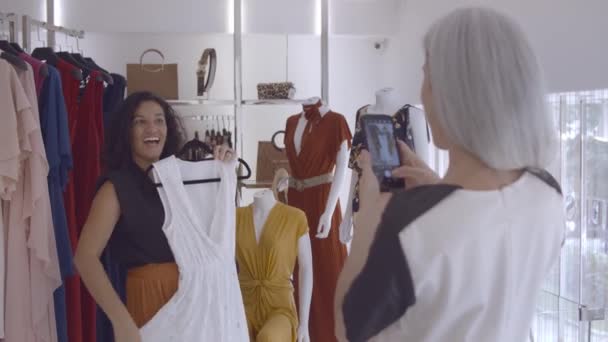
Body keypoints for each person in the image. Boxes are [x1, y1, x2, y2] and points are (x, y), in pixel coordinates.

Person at [335, 7, 564, 342]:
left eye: (427, 77)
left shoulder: (408, 224)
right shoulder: (546, 193)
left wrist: (368, 219)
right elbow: (482, 224)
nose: (423, 93)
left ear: (455, 95)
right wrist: (438, 186)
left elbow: (346, 328)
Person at [73, 91, 236, 342]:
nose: (152, 128)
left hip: (197, 298)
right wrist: (120, 320)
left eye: (159, 120)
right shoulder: (116, 187)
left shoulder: (179, 180)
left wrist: (223, 167)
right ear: (126, 131)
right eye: (140, 121)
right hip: (150, 299)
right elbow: (85, 257)